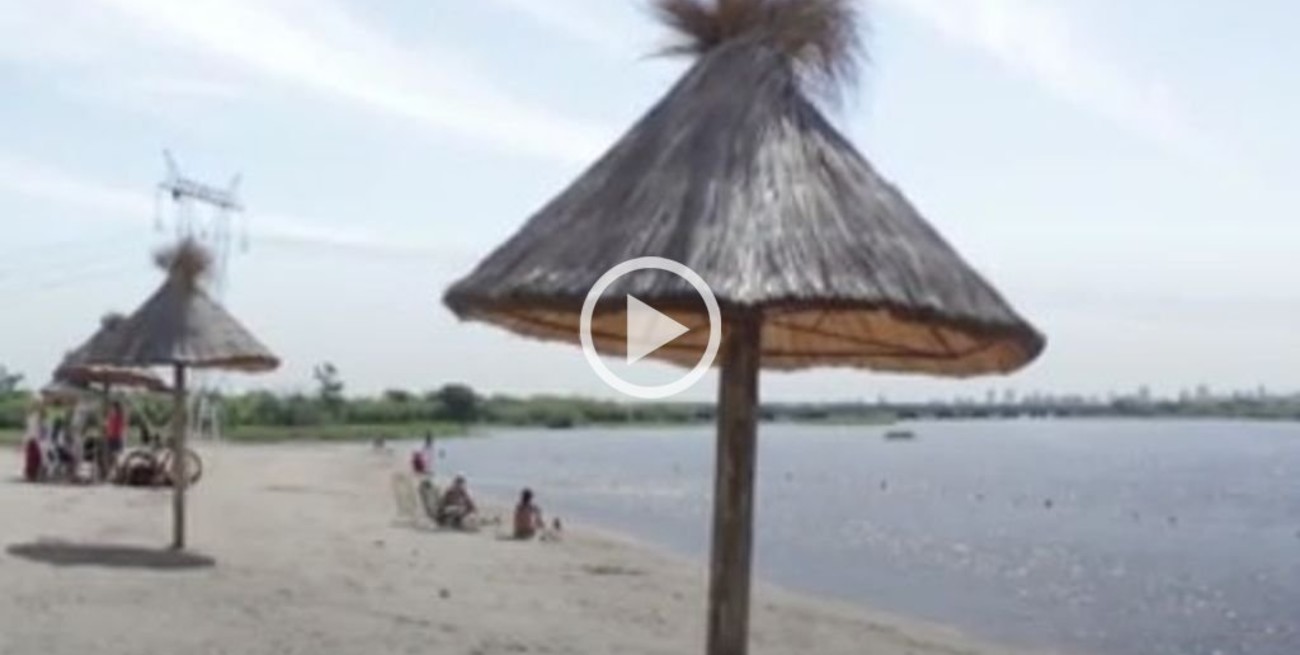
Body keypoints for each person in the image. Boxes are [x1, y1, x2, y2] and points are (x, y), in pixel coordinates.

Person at [102, 400, 127, 480]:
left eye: (113, 407)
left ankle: (117, 474)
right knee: (108, 456)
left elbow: (121, 428)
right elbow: (107, 426)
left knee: (116, 456)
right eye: (111, 408)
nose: (111, 409)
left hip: (117, 438)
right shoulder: (110, 416)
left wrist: (120, 435)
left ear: (116, 408)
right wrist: (106, 431)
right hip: (110, 438)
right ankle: (109, 474)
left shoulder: (120, 417)